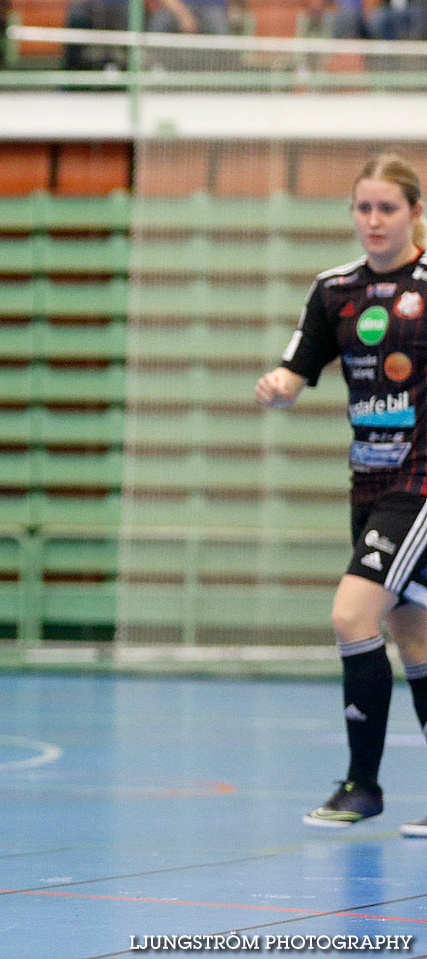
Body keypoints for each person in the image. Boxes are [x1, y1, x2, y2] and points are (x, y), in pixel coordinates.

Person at [256, 152, 427, 836]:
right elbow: (297, 366)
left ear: (415, 212)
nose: (374, 220)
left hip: (420, 483)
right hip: (368, 481)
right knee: (412, 633)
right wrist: (279, 386)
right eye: (363, 207)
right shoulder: (334, 290)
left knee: (351, 614)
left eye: (388, 207)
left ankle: (362, 786)